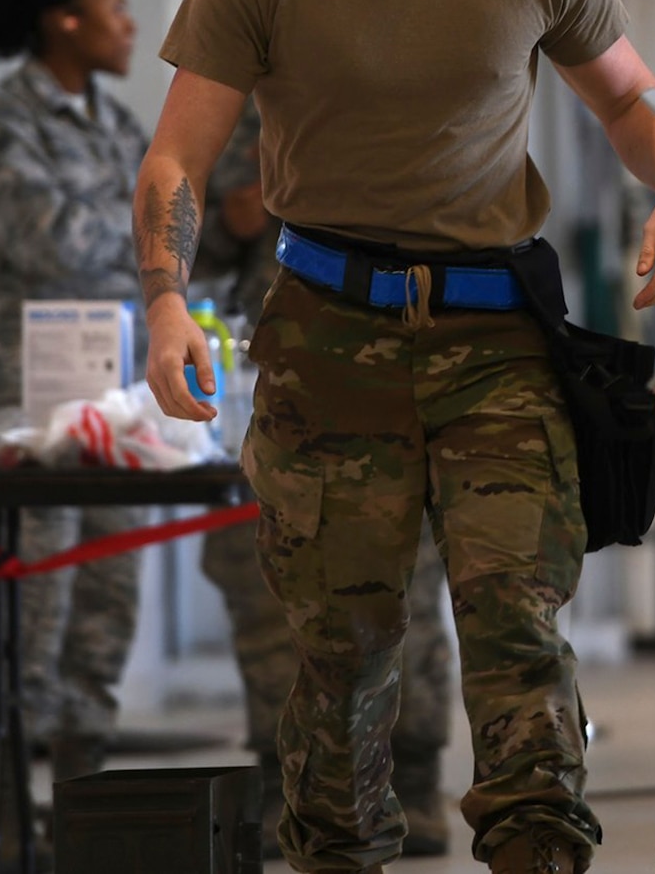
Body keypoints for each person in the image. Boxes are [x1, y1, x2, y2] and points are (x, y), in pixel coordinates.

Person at [133, 0, 655, 874]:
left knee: (516, 625)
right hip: (324, 336)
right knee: (338, 647)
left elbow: (637, 110)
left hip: (497, 341)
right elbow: (174, 160)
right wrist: (165, 299)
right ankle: (338, 854)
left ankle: (539, 854)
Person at [193, 99, 460, 861]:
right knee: (270, 587)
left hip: (398, 372)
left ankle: (413, 779)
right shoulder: (244, 116)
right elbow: (194, 250)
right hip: (282, 377)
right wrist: (237, 226)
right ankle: (290, 786)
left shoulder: (404, 94)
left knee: (408, 586)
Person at [0, 0, 146, 787]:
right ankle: (10, 807)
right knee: (35, 606)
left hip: (114, 394)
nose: (130, 23)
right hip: (28, 398)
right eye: (113, 4)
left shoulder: (117, 123)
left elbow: (180, 231)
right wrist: (142, 225)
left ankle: (85, 800)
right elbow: (49, 241)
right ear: (64, 20)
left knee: (108, 600)